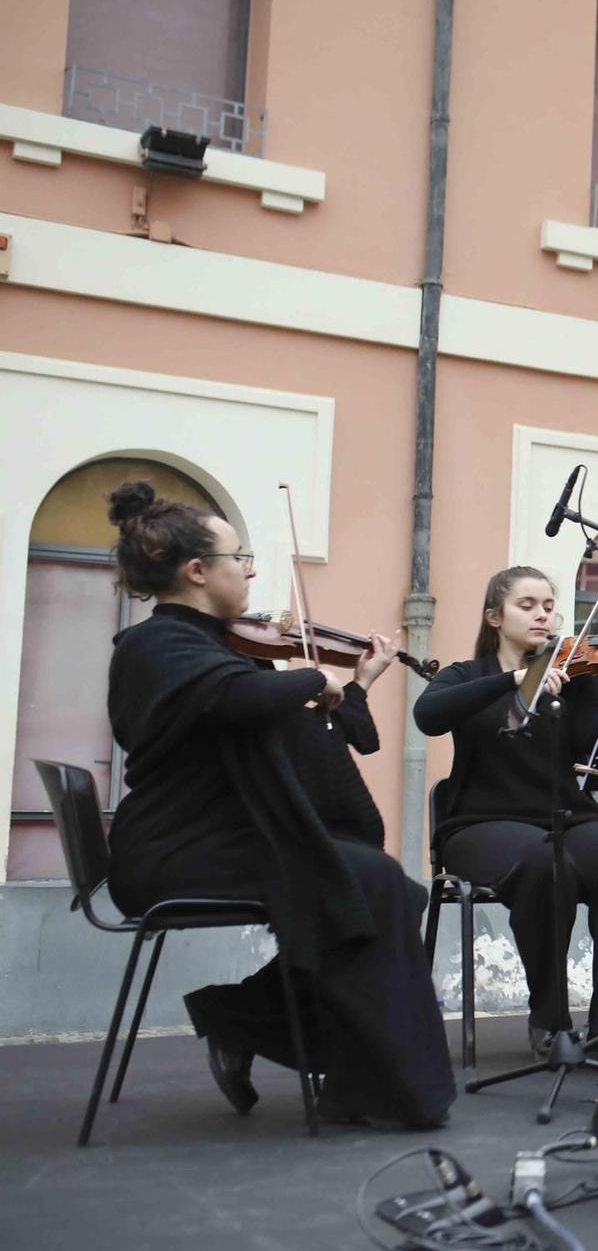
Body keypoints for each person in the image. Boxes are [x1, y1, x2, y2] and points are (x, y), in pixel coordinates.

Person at [102, 482, 454, 1129]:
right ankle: (370, 1082)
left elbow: (273, 719)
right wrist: (315, 677)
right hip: (173, 852)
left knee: (395, 891)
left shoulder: (211, 647)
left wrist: (350, 688)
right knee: (364, 880)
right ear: (197, 570)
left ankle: (250, 1024)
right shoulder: (158, 648)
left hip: (223, 836)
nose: (253, 568)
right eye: (241, 556)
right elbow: (235, 698)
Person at [413, 567, 598, 1058]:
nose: (542, 614)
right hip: (480, 824)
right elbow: (428, 715)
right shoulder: (467, 676)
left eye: (548, 605)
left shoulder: (577, 678)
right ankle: (549, 1019)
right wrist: (515, 679)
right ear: (494, 616)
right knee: (546, 867)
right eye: (526, 605)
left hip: (567, 816)